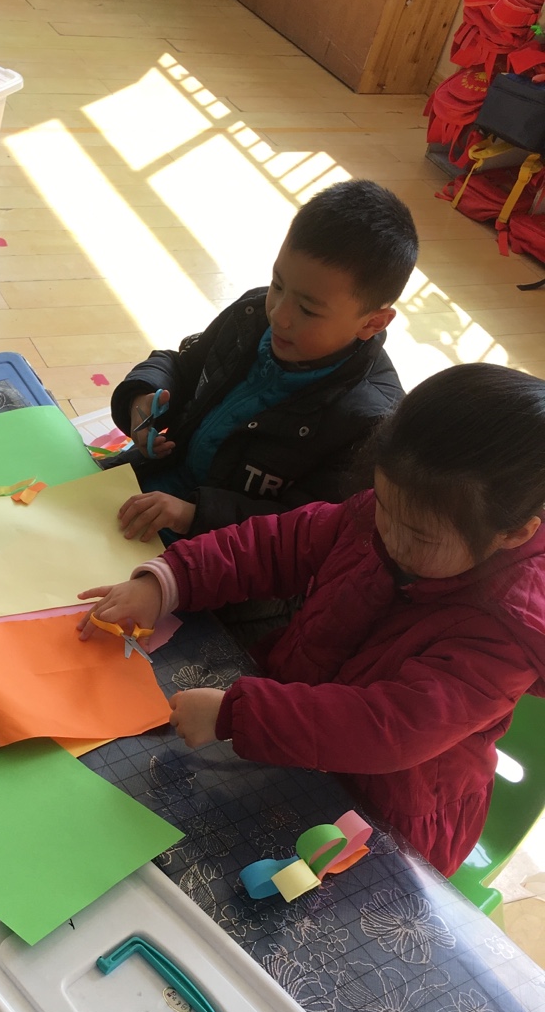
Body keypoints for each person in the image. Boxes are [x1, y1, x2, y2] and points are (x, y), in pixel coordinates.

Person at [79, 363, 545, 881]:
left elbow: (388, 728)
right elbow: (274, 545)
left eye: (419, 536)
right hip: (286, 736)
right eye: (384, 505)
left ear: (514, 534)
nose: (389, 536)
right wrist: (170, 581)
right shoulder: (386, 515)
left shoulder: (508, 632)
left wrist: (238, 715)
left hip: (382, 815)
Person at [109, 180, 418, 548]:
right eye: (278, 284)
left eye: (308, 310)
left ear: (373, 323)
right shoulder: (251, 314)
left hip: (221, 547)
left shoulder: (367, 424)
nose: (279, 316)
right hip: (147, 479)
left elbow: (303, 529)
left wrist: (192, 513)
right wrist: (142, 397)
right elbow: (182, 365)